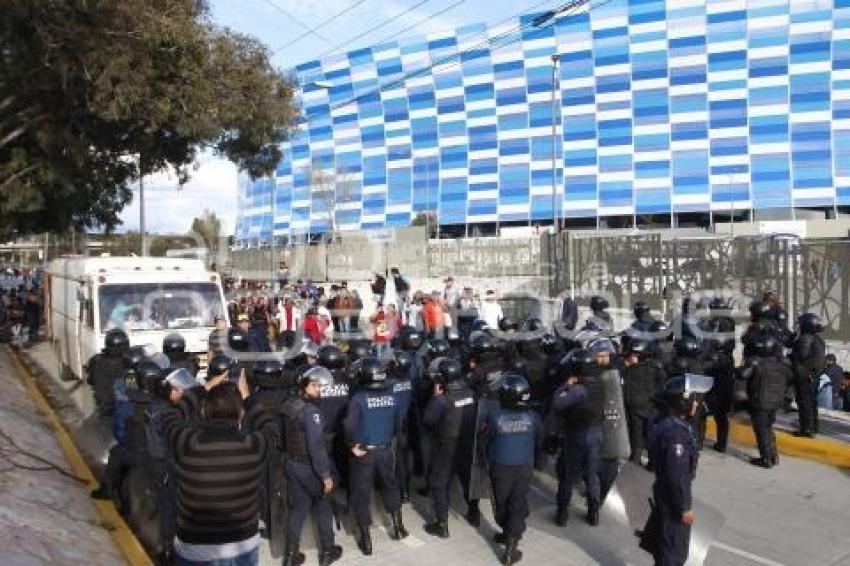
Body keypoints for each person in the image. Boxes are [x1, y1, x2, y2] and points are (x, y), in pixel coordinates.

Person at [167, 383, 270, 566]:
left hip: (194, 550)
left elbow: (170, 418)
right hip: (243, 546)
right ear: (241, 414)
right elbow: (270, 428)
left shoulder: (187, 443)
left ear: (204, 412)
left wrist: (199, 390)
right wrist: (249, 400)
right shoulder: (254, 446)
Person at [343, 358, 408, 555]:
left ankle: (366, 539)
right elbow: (399, 423)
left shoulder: (358, 399)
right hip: (385, 450)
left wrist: (351, 445)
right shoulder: (392, 396)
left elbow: (348, 425)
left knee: (361, 494)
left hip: (364, 453)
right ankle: (398, 527)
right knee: (391, 486)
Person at [280, 366, 343, 566]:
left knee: (297, 510)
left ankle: (291, 555)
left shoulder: (288, 404)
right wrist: (325, 476)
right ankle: (327, 551)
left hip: (292, 464)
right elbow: (316, 446)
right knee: (324, 504)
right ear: (304, 385)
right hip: (310, 468)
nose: (319, 390)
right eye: (315, 386)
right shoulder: (311, 412)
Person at [640, 376, 700, 566]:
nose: (696, 404)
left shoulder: (664, 421)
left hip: (663, 491)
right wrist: (684, 507)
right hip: (673, 499)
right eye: (693, 400)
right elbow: (677, 475)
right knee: (673, 553)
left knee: (662, 546)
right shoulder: (676, 434)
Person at [484, 374, 543, 566]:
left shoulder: (495, 416)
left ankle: (509, 544)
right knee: (517, 504)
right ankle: (510, 539)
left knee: (501, 502)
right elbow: (540, 440)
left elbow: (485, 439)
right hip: (523, 466)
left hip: (500, 466)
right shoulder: (533, 417)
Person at [421, 358, 478, 538]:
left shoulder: (442, 400)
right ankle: (474, 513)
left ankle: (442, 524)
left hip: (446, 445)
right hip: (468, 443)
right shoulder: (470, 393)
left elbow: (428, 419)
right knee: (469, 479)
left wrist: (435, 397)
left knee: (439, 483)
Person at [551, 350, 604, 526]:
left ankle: (562, 513)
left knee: (568, 475)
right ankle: (594, 511)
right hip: (596, 433)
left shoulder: (579, 390)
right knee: (591, 474)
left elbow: (557, 402)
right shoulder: (600, 384)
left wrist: (565, 385)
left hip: (577, 434)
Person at [741, 336, 793, 468]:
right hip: (775, 402)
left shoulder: (757, 363)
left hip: (760, 402)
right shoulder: (782, 364)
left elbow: (742, 375)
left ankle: (766, 459)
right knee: (768, 428)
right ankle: (773, 456)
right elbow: (791, 379)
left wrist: (749, 364)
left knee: (762, 430)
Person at [623, 339, 665, 464]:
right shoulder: (654, 367)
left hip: (634, 404)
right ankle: (652, 461)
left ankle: (636, 456)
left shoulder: (629, 367)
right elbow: (663, 382)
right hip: (650, 403)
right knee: (650, 432)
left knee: (637, 431)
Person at [790, 313, 826, 437]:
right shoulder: (818, 339)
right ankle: (813, 426)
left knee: (804, 402)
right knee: (811, 402)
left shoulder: (806, 338)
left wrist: (790, 356)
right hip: (813, 375)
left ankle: (806, 429)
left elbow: (801, 356)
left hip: (804, 375)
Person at [88, 328, 131, 417]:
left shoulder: (96, 360)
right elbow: (132, 387)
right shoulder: (126, 364)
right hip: (119, 408)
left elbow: (90, 381)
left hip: (102, 407)